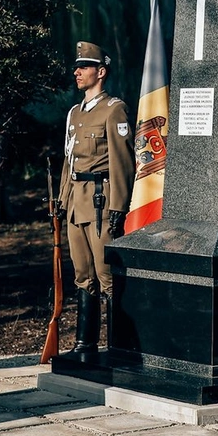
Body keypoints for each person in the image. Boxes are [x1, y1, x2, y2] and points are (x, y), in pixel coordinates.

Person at [59, 41, 136, 356]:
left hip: (101, 202)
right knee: (83, 273)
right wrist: (63, 202)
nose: (77, 72)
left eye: (84, 67)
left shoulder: (114, 109)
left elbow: (123, 162)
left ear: (100, 72)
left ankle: (122, 345)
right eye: (77, 67)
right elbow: (69, 161)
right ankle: (85, 343)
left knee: (107, 277)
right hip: (77, 204)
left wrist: (119, 205)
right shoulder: (75, 112)